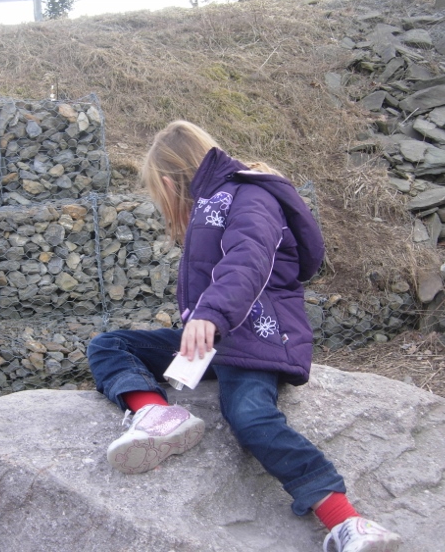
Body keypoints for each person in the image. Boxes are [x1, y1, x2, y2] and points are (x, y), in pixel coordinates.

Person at [87, 121, 402, 552]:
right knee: (110, 344)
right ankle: (157, 416)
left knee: (250, 416)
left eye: (162, 200)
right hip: (216, 341)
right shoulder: (213, 201)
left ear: (166, 182)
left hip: (256, 340)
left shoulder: (252, 196)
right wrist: (204, 322)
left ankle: (346, 521)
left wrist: (210, 314)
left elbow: (248, 258)